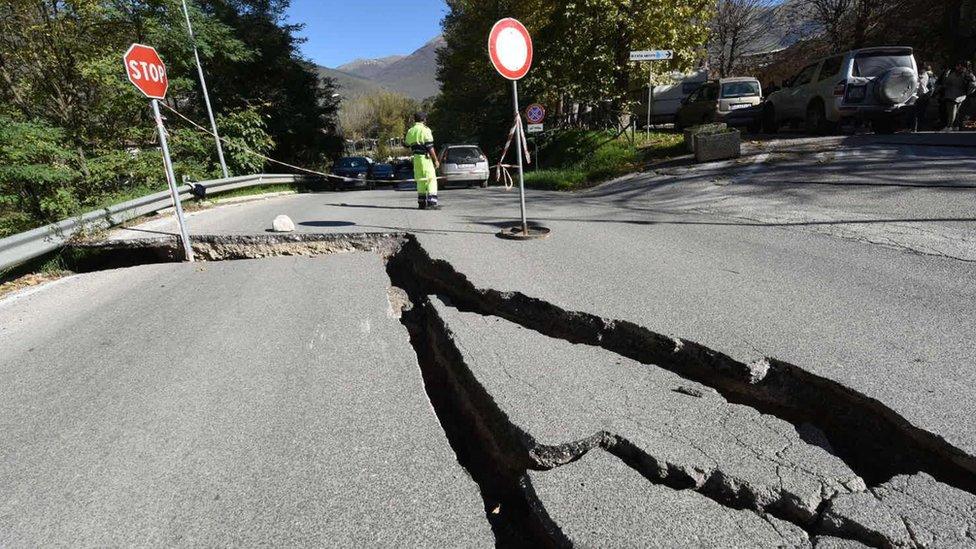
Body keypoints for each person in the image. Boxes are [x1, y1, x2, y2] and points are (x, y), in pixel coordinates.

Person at [405, 112, 440, 210]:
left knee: (420, 180)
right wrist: (435, 160)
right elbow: (430, 147)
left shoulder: (410, 130)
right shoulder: (426, 130)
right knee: (431, 179)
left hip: (416, 159)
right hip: (425, 158)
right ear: (424, 119)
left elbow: (406, 144)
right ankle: (432, 203)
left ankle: (421, 202)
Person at [939, 62, 976, 131]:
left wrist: (968, 92)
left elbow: (973, 85)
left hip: (954, 96)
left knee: (952, 111)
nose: (958, 67)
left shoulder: (965, 74)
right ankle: (955, 126)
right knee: (955, 112)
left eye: (960, 66)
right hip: (957, 96)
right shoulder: (965, 74)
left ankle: (949, 126)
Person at [914, 64, 935, 131]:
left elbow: (921, 85)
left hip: (922, 95)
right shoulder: (930, 75)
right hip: (926, 95)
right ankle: (921, 127)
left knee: (920, 112)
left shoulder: (924, 75)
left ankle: (919, 127)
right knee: (922, 111)